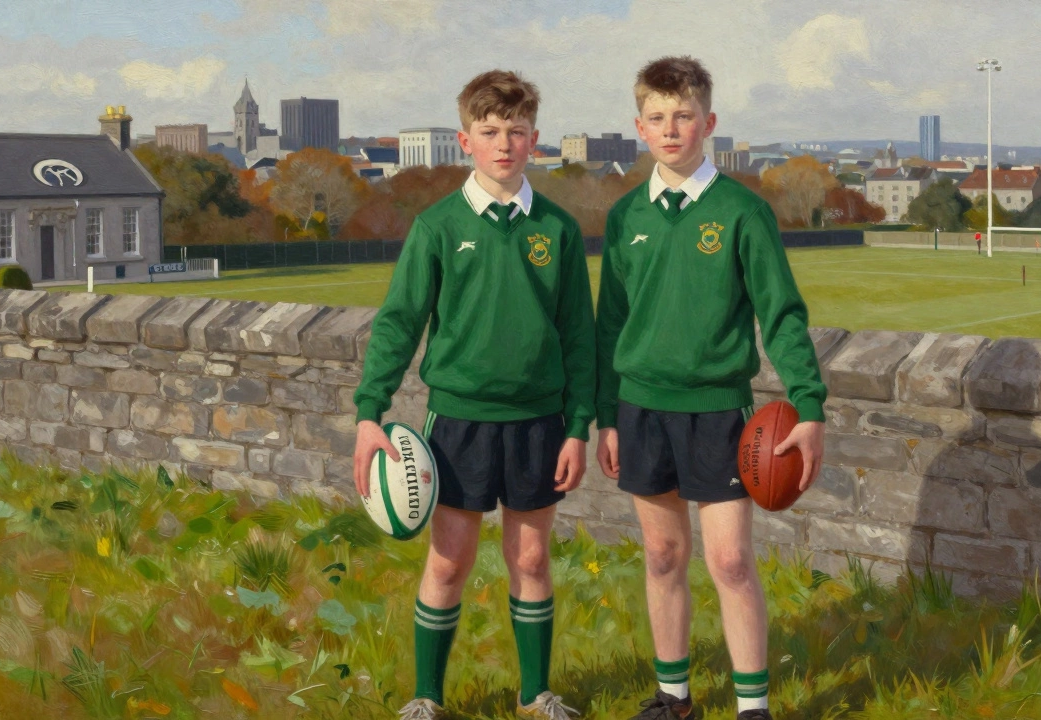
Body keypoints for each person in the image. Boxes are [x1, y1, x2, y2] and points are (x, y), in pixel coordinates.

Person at [350, 69, 595, 720]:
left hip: (540, 422)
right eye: (490, 132)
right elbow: (400, 323)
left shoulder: (559, 230)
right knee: (450, 561)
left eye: (516, 132)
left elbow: (579, 335)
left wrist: (579, 427)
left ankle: (534, 694)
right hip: (459, 422)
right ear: (466, 140)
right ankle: (426, 698)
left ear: (535, 140)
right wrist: (369, 412)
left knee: (533, 557)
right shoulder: (436, 228)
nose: (504, 145)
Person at [594, 56, 828, 720]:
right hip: (640, 410)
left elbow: (780, 314)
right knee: (663, 555)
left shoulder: (741, 212)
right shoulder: (624, 218)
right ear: (640, 127)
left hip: (717, 414)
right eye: (658, 118)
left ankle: (752, 706)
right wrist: (607, 415)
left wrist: (808, 405)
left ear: (709, 123)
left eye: (685, 116)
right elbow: (610, 320)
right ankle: (674, 698)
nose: (672, 130)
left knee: (729, 560)